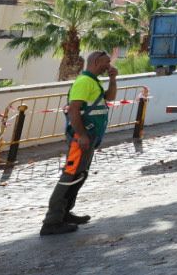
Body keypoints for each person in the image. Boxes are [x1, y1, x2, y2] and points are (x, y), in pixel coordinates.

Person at [40, 51, 118, 236]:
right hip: (81, 138)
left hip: (90, 137)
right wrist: (81, 135)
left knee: (79, 175)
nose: (108, 66)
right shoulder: (84, 82)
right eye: (107, 63)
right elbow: (74, 109)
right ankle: (52, 221)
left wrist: (113, 79)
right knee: (70, 176)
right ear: (97, 61)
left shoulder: (93, 82)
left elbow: (110, 97)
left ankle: (65, 213)